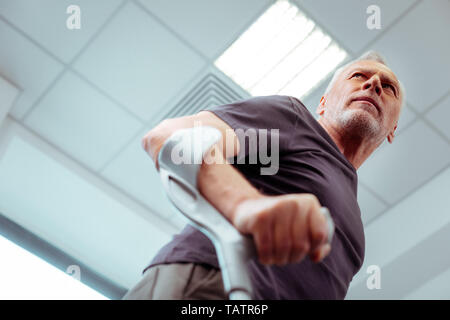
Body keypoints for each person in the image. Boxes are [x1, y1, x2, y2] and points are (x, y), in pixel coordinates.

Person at [122, 51, 404, 300]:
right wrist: (247, 204)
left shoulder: (355, 229)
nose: (374, 84)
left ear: (392, 129)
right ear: (323, 103)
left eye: (388, 87)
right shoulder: (296, 123)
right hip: (211, 284)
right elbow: (175, 139)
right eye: (358, 76)